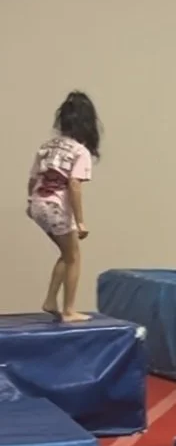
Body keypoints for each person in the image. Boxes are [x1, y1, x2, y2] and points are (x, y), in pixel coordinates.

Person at [26, 91, 101, 323]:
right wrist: (80, 221)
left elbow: (32, 178)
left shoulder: (49, 145)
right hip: (56, 207)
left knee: (66, 254)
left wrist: (31, 202)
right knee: (74, 256)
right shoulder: (80, 151)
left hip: (38, 203)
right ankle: (69, 310)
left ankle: (51, 300)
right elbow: (74, 186)